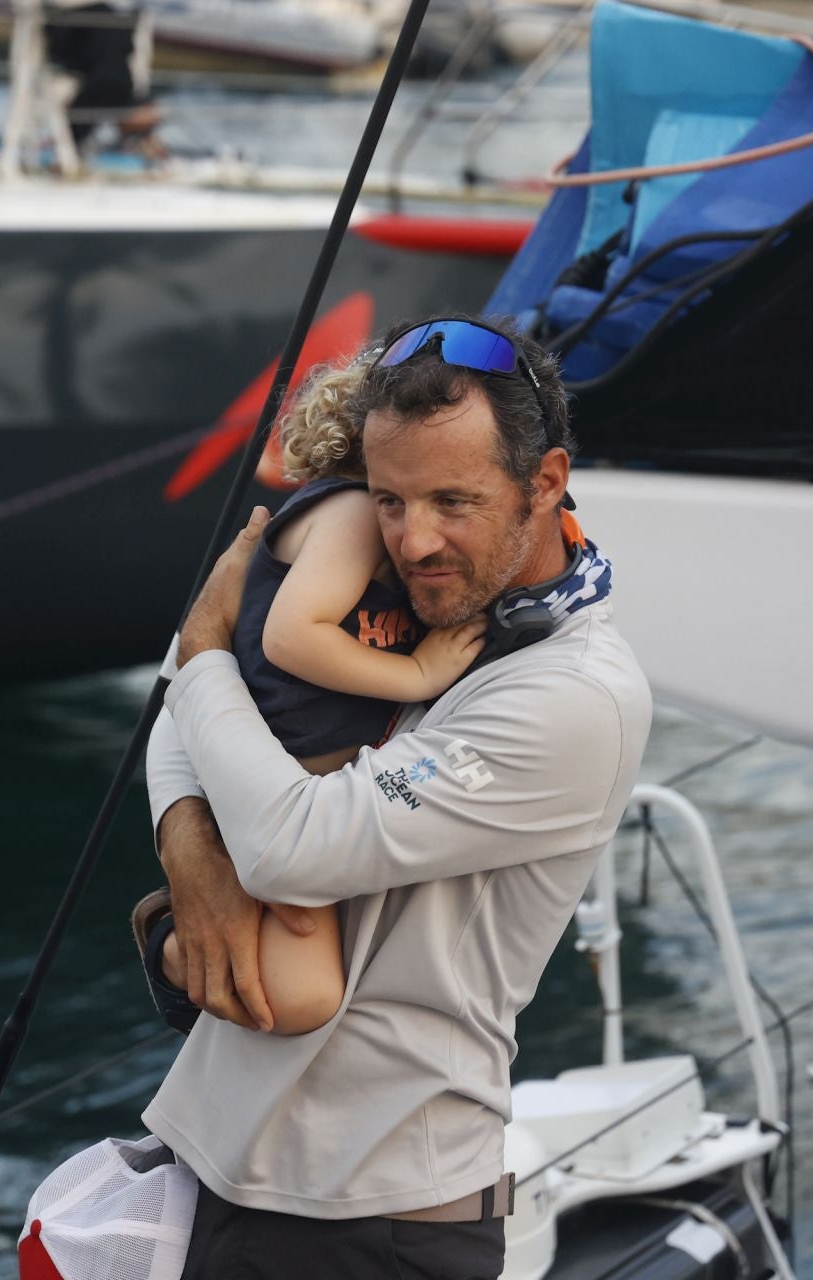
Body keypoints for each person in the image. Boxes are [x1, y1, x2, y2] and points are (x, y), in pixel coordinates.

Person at [143, 314, 651, 1280]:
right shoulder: (399, 602)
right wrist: (189, 844)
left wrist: (209, 653)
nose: (414, 540)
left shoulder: (574, 696)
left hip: (378, 1219)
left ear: (545, 482)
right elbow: (183, 717)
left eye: (454, 501)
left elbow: (291, 844)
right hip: (232, 1172)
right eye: (388, 500)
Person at [133, 356, 488, 1037]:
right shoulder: (350, 512)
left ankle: (194, 930)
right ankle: (169, 945)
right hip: (269, 788)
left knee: (302, 996)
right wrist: (418, 675)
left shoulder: (381, 531)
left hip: (314, 812)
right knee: (300, 1003)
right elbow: (292, 638)